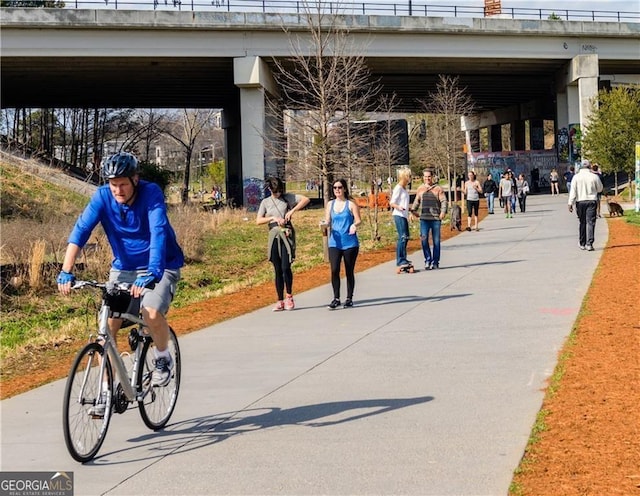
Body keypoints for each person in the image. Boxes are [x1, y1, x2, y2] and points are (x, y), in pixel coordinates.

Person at [56, 152, 185, 411]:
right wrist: (66, 269)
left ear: (135, 179)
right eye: (113, 184)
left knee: (150, 311)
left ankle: (162, 357)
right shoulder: (103, 197)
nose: (118, 190)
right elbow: (81, 230)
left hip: (161, 264)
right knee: (107, 328)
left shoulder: (151, 194)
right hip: (123, 268)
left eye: (123, 184)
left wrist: (153, 271)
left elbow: (158, 231)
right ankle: (106, 393)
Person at [256, 176, 310, 311]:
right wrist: (273, 218)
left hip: (286, 234)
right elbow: (258, 220)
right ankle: (280, 300)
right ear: (270, 190)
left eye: (279, 191)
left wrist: (292, 210)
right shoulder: (266, 202)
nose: (278, 194)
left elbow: (305, 199)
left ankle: (289, 296)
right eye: (275, 192)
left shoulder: (287, 198)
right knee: (277, 269)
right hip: (274, 236)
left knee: (286, 267)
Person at [324, 178, 361, 309]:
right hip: (334, 241)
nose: (337, 190)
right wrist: (324, 224)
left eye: (339, 187)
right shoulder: (330, 204)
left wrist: (354, 225)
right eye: (335, 188)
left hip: (350, 243)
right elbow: (328, 220)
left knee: (349, 270)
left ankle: (349, 298)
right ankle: (336, 298)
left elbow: (358, 220)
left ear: (344, 188)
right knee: (334, 270)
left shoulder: (351, 204)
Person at [411, 169, 447, 270]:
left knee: (436, 241)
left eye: (429, 176)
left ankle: (435, 262)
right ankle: (427, 259)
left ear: (432, 177)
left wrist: (443, 212)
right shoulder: (420, 189)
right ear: (423, 178)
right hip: (424, 219)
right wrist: (413, 211)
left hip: (435, 219)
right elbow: (416, 201)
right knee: (424, 240)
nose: (427, 178)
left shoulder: (438, 189)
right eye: (425, 177)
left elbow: (444, 201)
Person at [568, 160, 603, 251]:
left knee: (582, 222)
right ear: (589, 167)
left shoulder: (576, 177)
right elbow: (600, 189)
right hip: (591, 201)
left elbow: (573, 191)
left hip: (580, 202)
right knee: (591, 222)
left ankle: (582, 243)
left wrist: (570, 203)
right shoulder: (594, 177)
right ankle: (589, 243)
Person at [389, 167, 412, 269]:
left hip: (404, 215)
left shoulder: (404, 189)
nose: (410, 178)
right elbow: (392, 202)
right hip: (398, 214)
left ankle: (403, 258)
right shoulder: (398, 188)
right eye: (408, 176)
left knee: (406, 236)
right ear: (404, 177)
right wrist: (399, 207)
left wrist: (411, 211)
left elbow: (405, 202)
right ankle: (400, 260)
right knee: (402, 236)